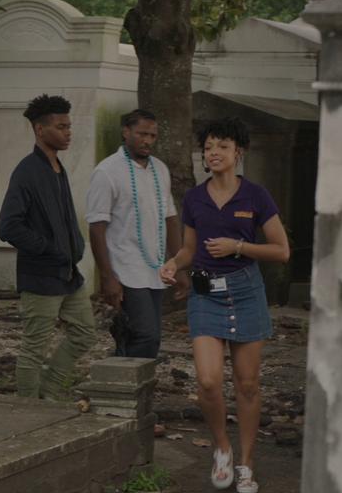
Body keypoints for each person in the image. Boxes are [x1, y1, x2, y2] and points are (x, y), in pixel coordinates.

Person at [159, 118, 290, 493]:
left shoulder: (256, 196)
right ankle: (222, 448)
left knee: (247, 384)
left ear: (238, 153)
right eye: (209, 146)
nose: (214, 153)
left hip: (247, 292)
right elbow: (189, 248)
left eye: (222, 146)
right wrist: (173, 264)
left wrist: (239, 247)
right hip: (206, 296)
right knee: (208, 380)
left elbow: (281, 251)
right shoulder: (195, 198)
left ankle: (247, 463)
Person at [0, 94, 96, 399]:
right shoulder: (27, 171)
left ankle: (50, 393)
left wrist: (72, 247)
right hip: (40, 276)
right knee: (34, 349)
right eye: (61, 126)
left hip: (67, 274)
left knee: (84, 333)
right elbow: (8, 226)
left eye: (69, 126)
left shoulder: (57, 168)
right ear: (41, 130)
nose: (68, 132)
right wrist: (48, 248)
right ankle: (27, 411)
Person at [86, 109, 187, 359]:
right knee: (146, 334)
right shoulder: (107, 171)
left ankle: (133, 386)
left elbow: (171, 219)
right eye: (142, 134)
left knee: (146, 335)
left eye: (153, 135)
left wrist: (179, 265)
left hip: (156, 268)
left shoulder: (160, 169)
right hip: (126, 268)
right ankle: (125, 383)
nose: (148, 140)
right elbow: (96, 228)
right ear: (126, 132)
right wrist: (107, 276)